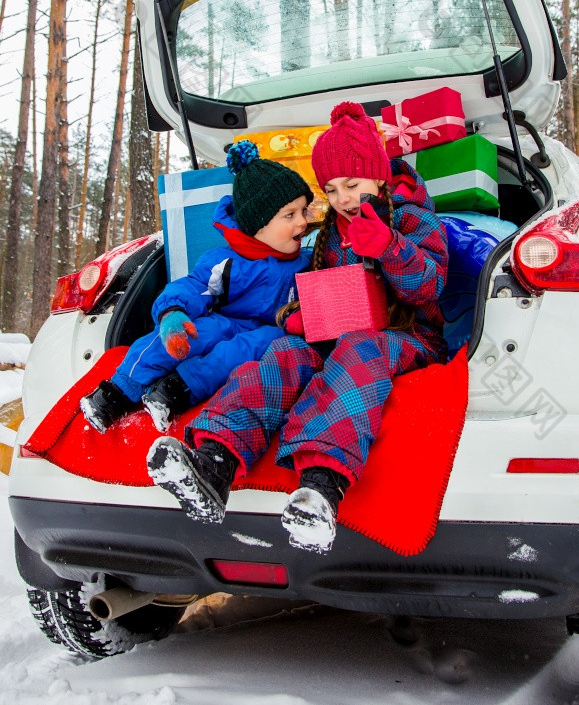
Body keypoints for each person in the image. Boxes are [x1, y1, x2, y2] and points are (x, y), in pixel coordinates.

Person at [146, 101, 449, 553]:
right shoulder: (329, 234)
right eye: (330, 189)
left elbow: (428, 286)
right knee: (285, 352)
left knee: (358, 351)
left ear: (379, 176)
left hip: (407, 338)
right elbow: (307, 290)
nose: (343, 198)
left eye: (352, 184)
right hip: (338, 334)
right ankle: (215, 462)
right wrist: (297, 316)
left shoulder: (411, 218)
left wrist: (389, 247)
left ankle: (321, 490)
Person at [80, 141, 313, 433]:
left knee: (249, 348)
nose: (303, 223)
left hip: (269, 332)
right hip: (225, 320)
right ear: (258, 224)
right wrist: (173, 312)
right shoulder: (225, 261)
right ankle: (116, 392)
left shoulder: (305, 262)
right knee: (195, 333)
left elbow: (319, 296)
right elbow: (193, 286)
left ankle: (174, 391)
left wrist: (304, 315)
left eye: (304, 211)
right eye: (290, 215)